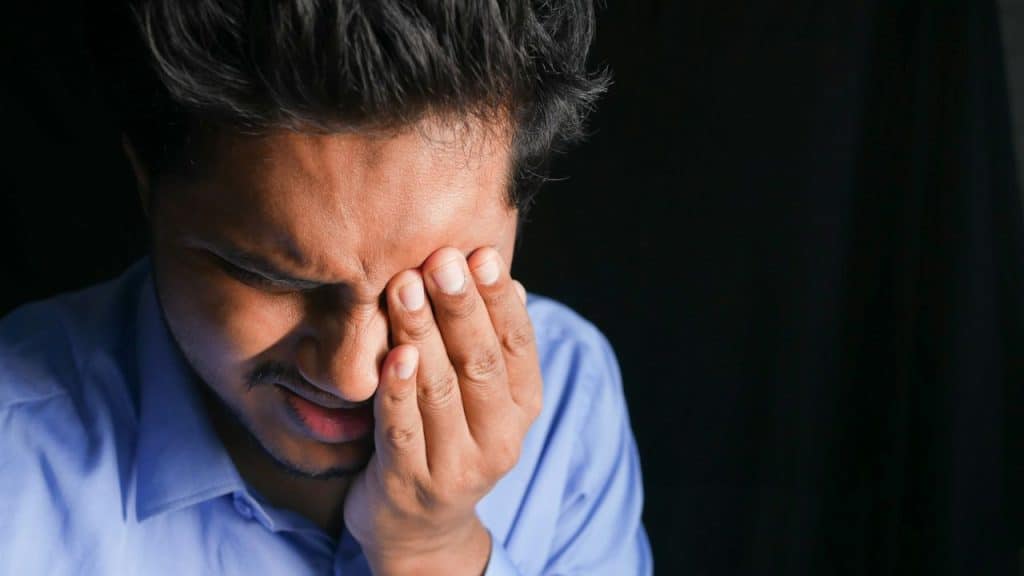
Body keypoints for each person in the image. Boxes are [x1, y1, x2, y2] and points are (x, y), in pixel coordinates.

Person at [0, 1, 652, 574]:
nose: (353, 377)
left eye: (429, 283)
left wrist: (433, 554)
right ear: (148, 185)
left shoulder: (569, 398)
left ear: (521, 207)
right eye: (269, 278)